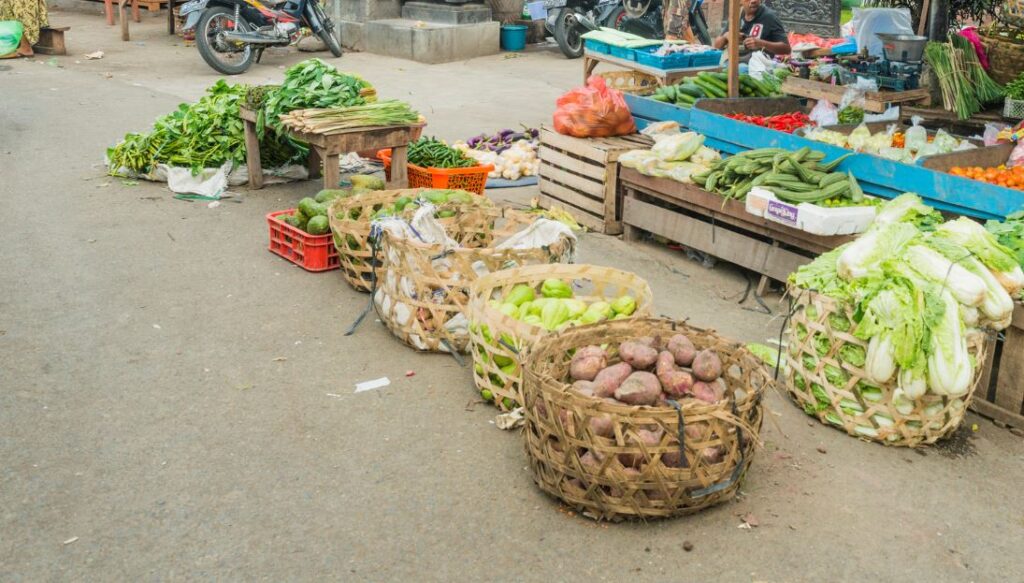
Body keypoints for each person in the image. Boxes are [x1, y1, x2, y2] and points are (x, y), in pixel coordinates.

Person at [712, 0, 790, 57]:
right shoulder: (736, 14)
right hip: (735, 61)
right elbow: (716, 48)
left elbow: (786, 49)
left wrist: (760, 44)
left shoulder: (769, 17)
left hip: (758, 64)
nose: (753, 1)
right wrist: (726, 36)